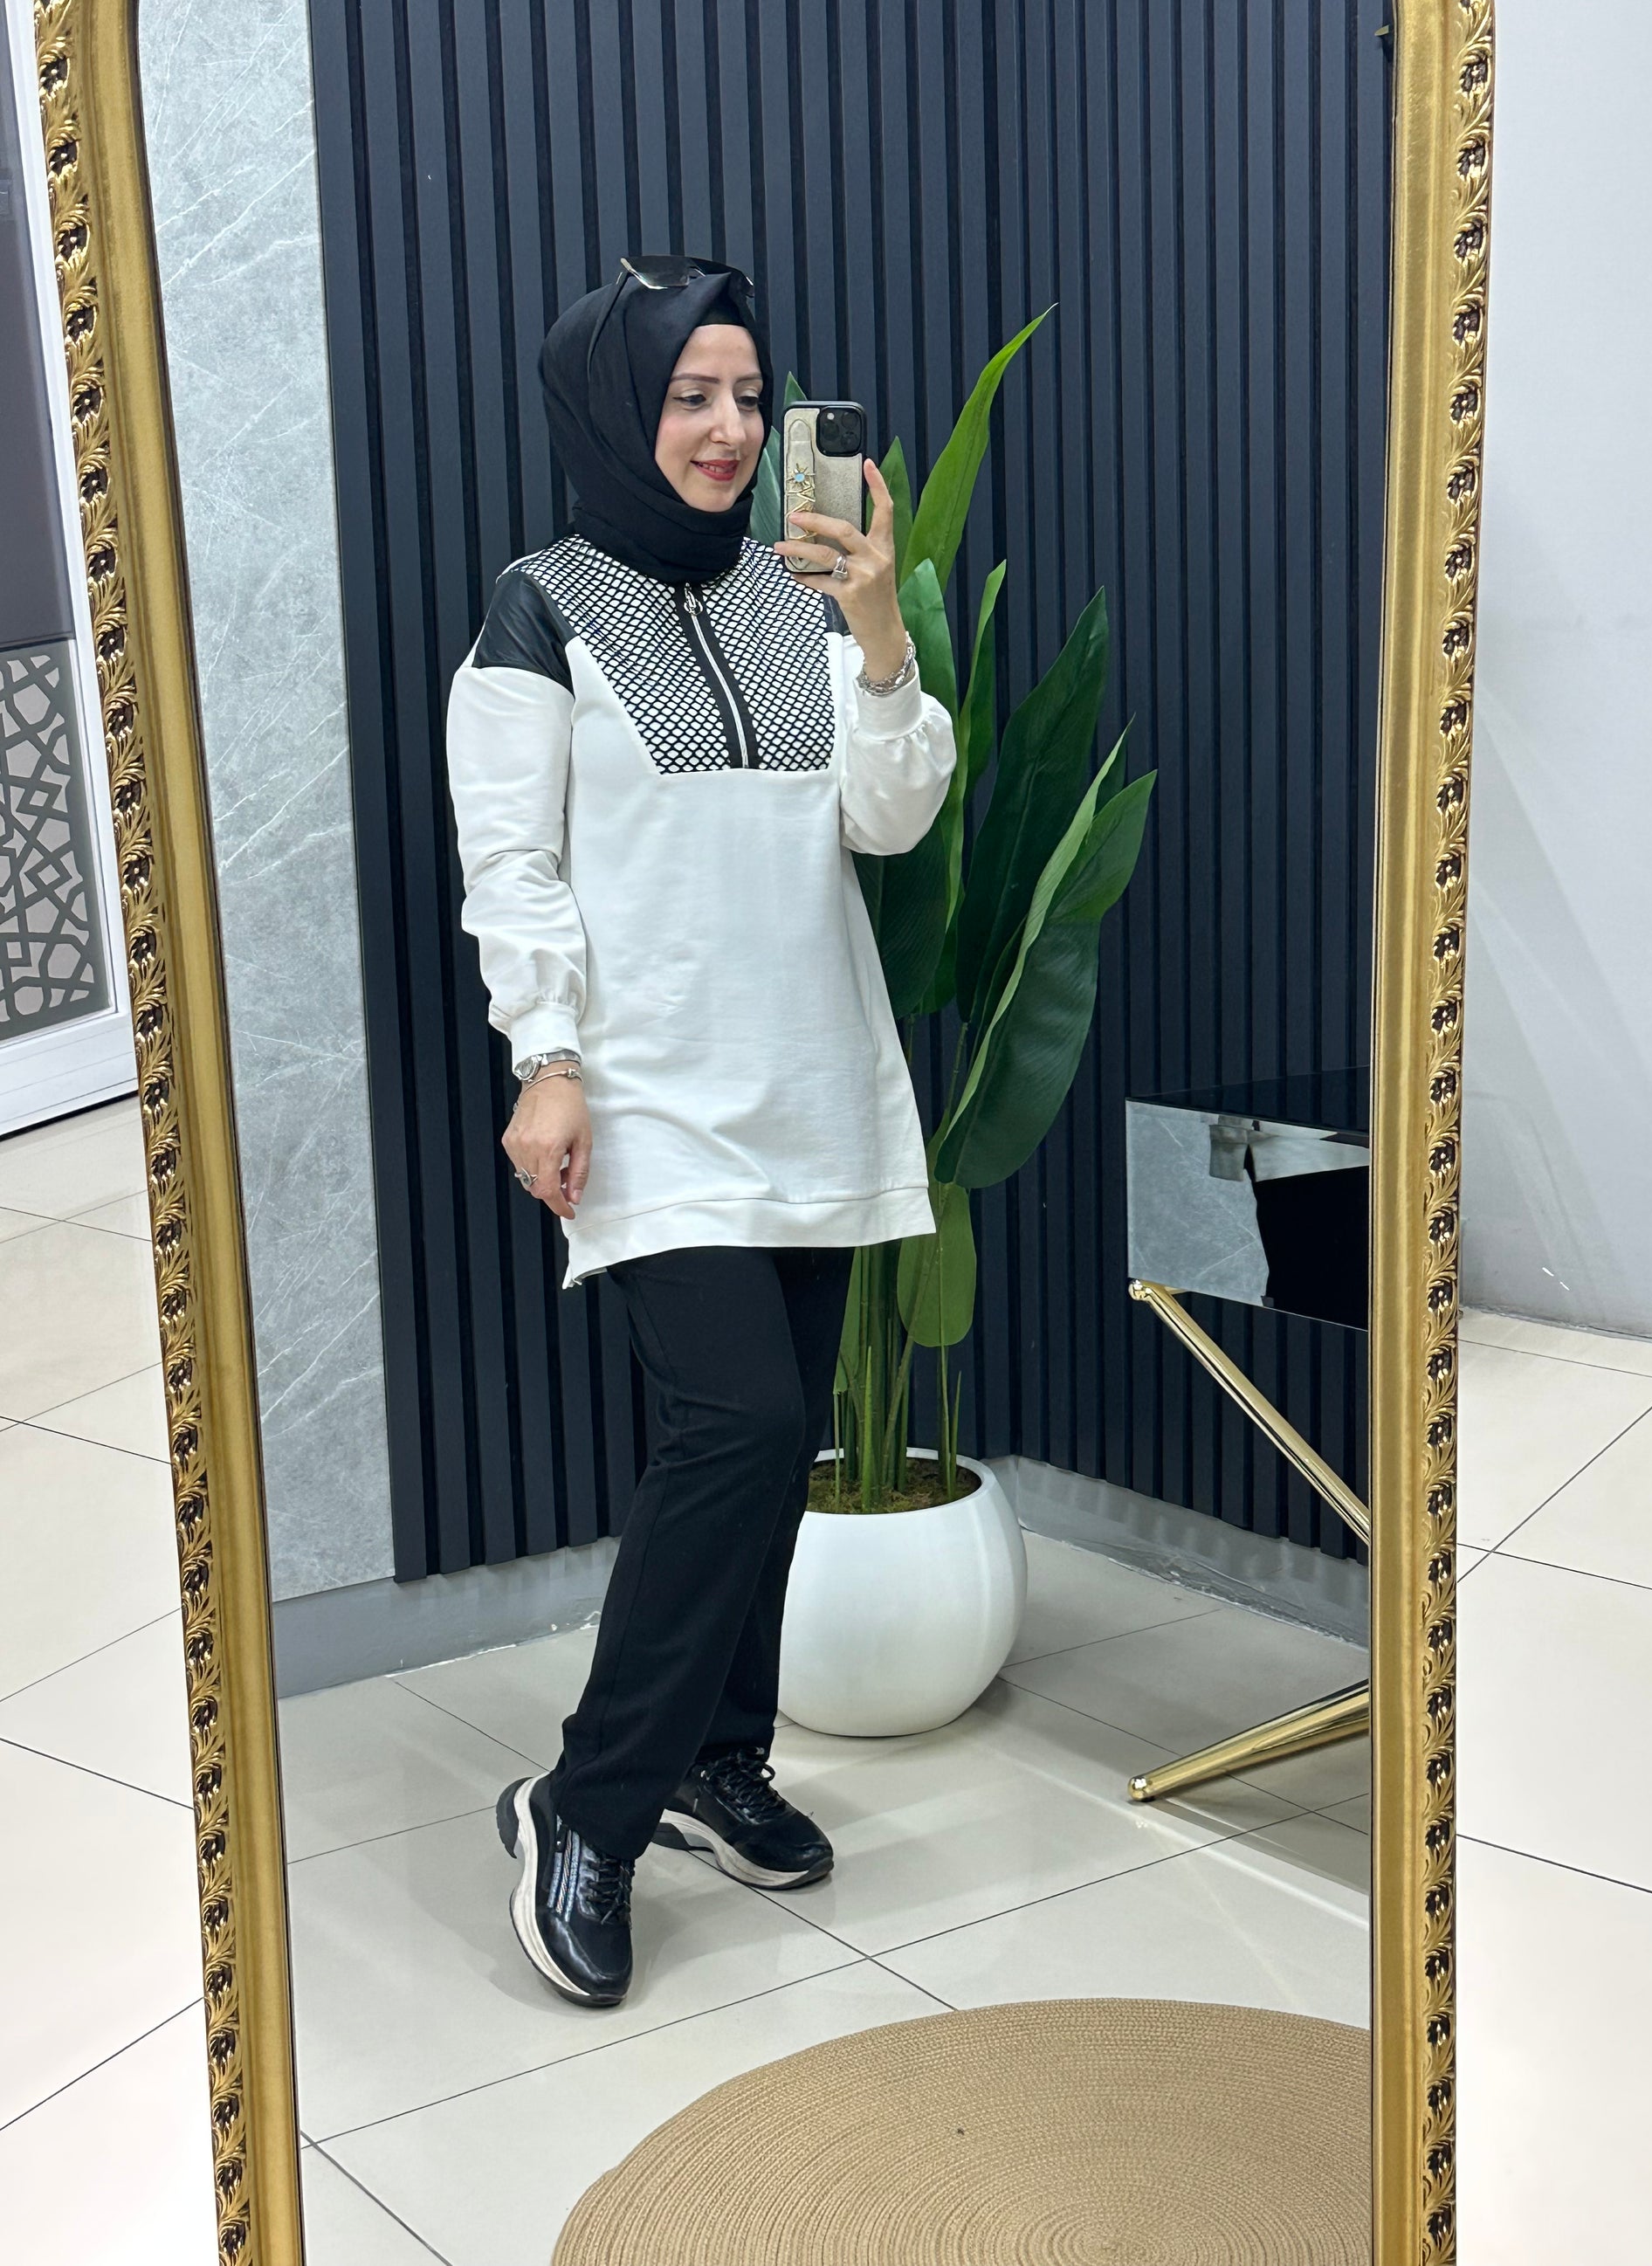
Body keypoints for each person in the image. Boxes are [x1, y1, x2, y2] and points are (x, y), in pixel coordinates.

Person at [443, 256, 957, 2007]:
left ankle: (717, 1756)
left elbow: (890, 822)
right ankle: (584, 1804)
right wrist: (547, 1059)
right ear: (615, 408)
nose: (730, 428)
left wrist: (878, 638)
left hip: (814, 1080)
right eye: (689, 396)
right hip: (649, 1092)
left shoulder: (806, 600)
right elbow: (511, 865)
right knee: (733, 1424)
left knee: (777, 1432)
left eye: (747, 394)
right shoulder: (539, 611)